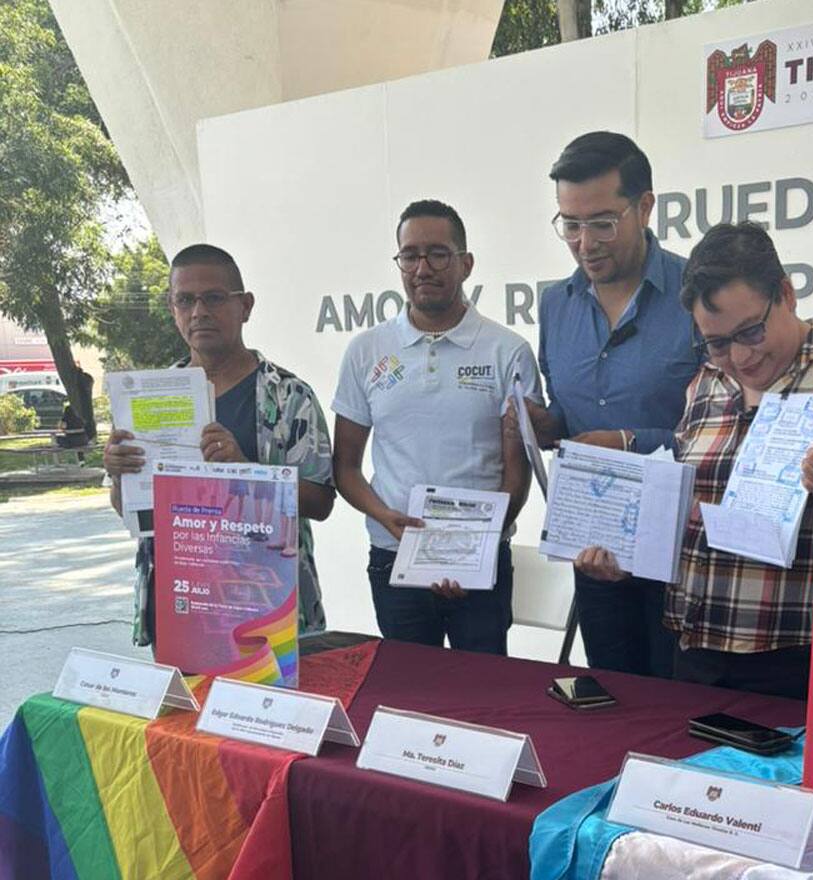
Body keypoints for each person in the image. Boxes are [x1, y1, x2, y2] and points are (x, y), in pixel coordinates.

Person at [579, 223, 813, 699]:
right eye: (717, 342)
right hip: (693, 648)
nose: (739, 356)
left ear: (786, 294)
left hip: (797, 658)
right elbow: (691, 512)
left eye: (750, 331)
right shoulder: (706, 383)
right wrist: (630, 558)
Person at [527, 131, 703, 678]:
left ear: (645, 206)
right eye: (570, 224)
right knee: (611, 703)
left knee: (680, 718)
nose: (585, 242)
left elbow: (724, 432)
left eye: (602, 222)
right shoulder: (556, 304)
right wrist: (541, 425)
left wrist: (629, 442)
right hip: (596, 549)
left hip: (685, 554)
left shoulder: (696, 293)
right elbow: (568, 414)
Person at [332, 199, 539, 655]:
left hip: (480, 563)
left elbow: (516, 472)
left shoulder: (508, 351)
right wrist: (384, 517)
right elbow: (344, 468)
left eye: (438, 253)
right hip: (394, 558)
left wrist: (473, 552)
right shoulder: (366, 351)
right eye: (410, 255)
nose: (422, 267)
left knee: (484, 702)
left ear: (465, 264)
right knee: (410, 698)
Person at [102, 244, 337, 647]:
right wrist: (120, 475)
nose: (199, 312)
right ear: (171, 307)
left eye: (213, 298)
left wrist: (244, 470)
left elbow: (320, 501)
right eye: (185, 300)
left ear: (245, 306)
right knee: (185, 713)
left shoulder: (289, 396)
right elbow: (136, 515)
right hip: (182, 605)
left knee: (273, 710)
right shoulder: (149, 401)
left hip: (268, 606)